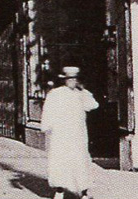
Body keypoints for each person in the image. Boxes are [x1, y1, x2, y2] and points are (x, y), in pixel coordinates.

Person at [41, 67, 99, 199]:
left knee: (80, 160)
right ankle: (59, 190)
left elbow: (93, 105)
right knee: (61, 160)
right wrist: (47, 126)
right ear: (64, 80)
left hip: (78, 134)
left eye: (74, 79)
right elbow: (48, 111)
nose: (72, 81)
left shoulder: (81, 94)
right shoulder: (56, 94)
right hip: (61, 134)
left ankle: (83, 192)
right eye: (69, 79)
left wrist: (83, 90)